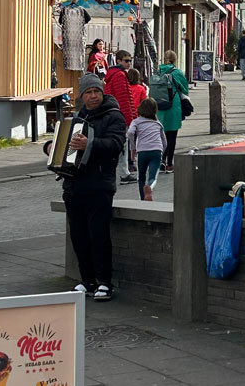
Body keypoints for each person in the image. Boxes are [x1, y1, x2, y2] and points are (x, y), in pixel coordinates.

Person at [63, 72, 126, 302]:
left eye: (96, 92)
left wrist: (89, 143)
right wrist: (51, 147)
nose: (93, 96)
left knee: (99, 236)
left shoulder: (114, 116)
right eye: (88, 93)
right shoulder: (78, 116)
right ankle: (87, 280)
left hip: (100, 184)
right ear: (82, 96)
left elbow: (115, 145)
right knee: (79, 237)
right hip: (75, 185)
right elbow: (65, 143)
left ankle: (104, 282)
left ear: (102, 93)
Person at [103, 50, 136, 184]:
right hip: (119, 115)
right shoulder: (120, 76)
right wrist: (130, 118)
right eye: (126, 61)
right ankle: (124, 173)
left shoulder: (113, 75)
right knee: (122, 145)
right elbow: (123, 99)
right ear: (118, 61)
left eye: (130, 61)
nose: (129, 63)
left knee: (120, 145)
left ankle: (123, 172)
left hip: (112, 114)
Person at [155, 50, 190, 172]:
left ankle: (161, 161)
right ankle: (169, 163)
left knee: (161, 135)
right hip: (173, 105)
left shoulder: (158, 72)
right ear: (175, 60)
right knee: (172, 136)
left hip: (159, 106)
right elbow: (185, 89)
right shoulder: (177, 73)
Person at [127, 97, 167, 201]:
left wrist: (133, 148)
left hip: (142, 151)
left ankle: (143, 199)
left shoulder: (136, 122)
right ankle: (150, 187)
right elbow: (164, 141)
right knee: (153, 177)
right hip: (157, 151)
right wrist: (162, 151)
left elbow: (130, 132)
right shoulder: (157, 123)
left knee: (141, 177)